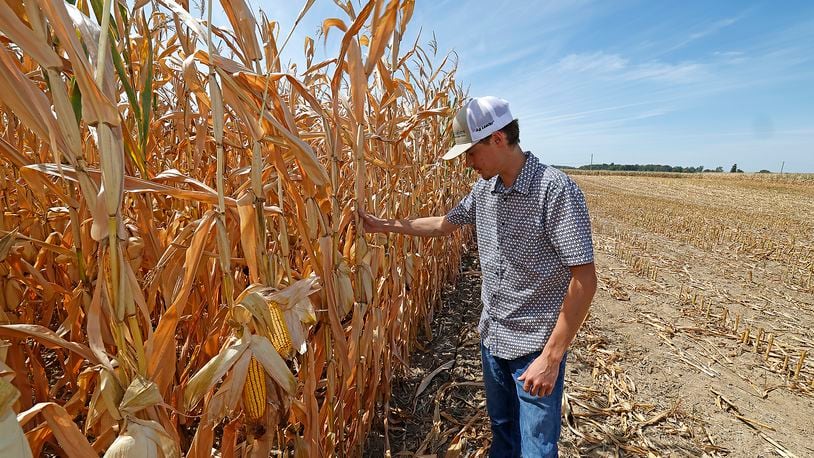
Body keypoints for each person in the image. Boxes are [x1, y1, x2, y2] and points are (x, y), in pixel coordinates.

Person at [359, 96, 597, 457]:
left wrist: (550, 359)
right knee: (503, 436)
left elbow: (585, 278)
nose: (467, 163)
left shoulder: (555, 190)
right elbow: (442, 225)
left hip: (534, 349)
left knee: (536, 449)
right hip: (493, 340)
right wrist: (382, 225)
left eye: (471, 153)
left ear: (498, 139)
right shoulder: (483, 191)